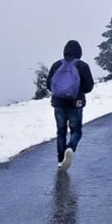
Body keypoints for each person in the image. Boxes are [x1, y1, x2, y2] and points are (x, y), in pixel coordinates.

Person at [46, 40, 94, 170]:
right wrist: (78, 91)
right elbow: (89, 86)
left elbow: (48, 84)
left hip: (58, 103)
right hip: (75, 103)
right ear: (79, 52)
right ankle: (70, 148)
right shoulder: (82, 66)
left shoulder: (57, 65)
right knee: (76, 131)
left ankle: (61, 160)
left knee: (61, 132)